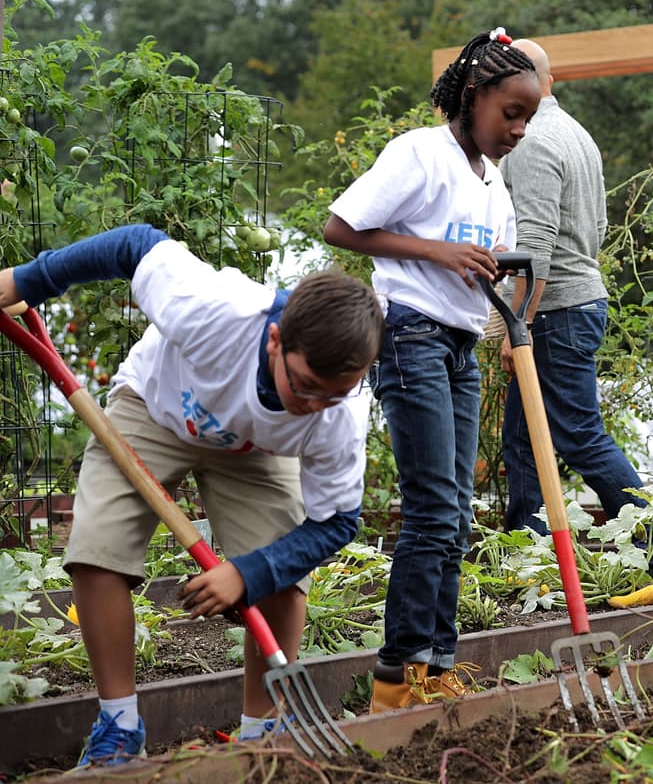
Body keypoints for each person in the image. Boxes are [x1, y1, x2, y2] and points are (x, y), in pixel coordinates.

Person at [0, 225, 383, 766]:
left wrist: (249, 572)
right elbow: (135, 245)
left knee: (282, 577)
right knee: (97, 550)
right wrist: (29, 279)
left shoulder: (336, 414)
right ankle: (118, 726)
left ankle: (263, 734)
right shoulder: (213, 312)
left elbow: (336, 522)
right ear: (275, 340)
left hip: (257, 449)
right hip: (156, 408)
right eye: (305, 384)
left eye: (334, 394)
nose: (317, 404)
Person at [323, 27, 541, 712]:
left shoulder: (492, 181)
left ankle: (436, 664)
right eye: (511, 113)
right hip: (409, 333)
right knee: (433, 508)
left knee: (457, 511)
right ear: (473, 96)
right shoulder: (420, 153)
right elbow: (340, 226)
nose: (518, 129)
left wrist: (493, 270)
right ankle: (396, 676)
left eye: (528, 118)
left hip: (458, 344)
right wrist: (438, 253)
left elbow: (495, 256)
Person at [496, 38, 652, 537]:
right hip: (575, 301)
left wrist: (518, 324)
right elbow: (599, 225)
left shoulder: (531, 143)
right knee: (522, 440)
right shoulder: (576, 133)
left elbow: (534, 244)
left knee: (580, 435)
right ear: (551, 80)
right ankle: (531, 547)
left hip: (552, 311)